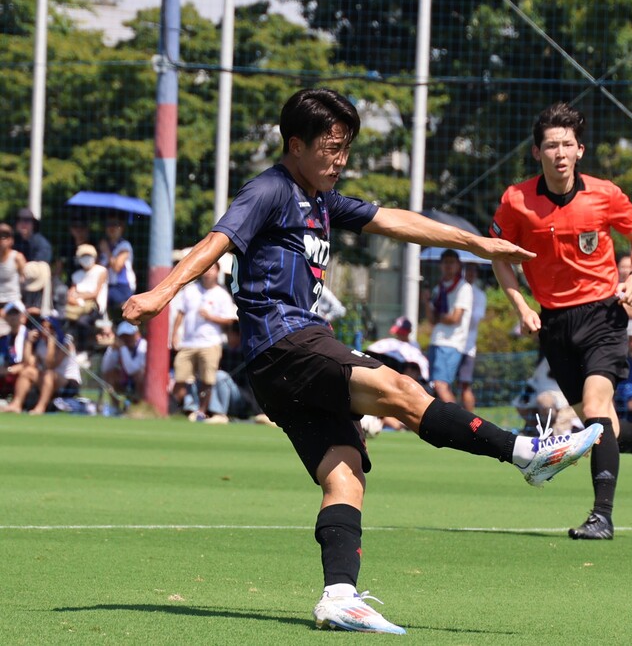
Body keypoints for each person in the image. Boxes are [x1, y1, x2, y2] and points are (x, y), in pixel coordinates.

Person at [121, 88, 602, 634]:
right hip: (287, 341)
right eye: (331, 148)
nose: (340, 160)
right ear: (296, 145)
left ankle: (339, 597)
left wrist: (477, 244)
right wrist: (161, 294)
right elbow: (218, 239)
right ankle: (524, 454)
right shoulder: (270, 189)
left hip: (275, 366)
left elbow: (396, 221)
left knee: (345, 473)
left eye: (345, 148)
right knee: (400, 389)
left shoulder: (322, 200)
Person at [490, 101, 632, 542]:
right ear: (537, 152)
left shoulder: (605, 194)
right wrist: (522, 307)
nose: (560, 153)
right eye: (551, 145)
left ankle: (602, 516)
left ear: (580, 150)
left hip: (603, 316)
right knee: (599, 424)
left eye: (567, 144)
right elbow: (498, 255)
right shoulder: (516, 200)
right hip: (554, 324)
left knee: (595, 409)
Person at [170, 262, 238, 422]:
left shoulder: (222, 294)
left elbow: (230, 320)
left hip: (210, 343)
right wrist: (174, 334)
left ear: (217, 273)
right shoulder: (190, 290)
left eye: (212, 269)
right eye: (206, 269)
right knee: (180, 378)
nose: (208, 272)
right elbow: (181, 313)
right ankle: (184, 408)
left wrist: (210, 317)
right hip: (188, 342)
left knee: (207, 380)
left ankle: (201, 411)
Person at [422, 249, 473, 403]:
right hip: (436, 341)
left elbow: (455, 318)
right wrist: (426, 301)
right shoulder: (438, 288)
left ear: (458, 265)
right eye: (445, 262)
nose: (448, 266)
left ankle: (455, 417)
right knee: (434, 387)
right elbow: (432, 319)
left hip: (451, 343)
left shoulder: (464, 287)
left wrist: (439, 317)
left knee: (441, 385)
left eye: (452, 262)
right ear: (440, 265)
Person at [65, 243, 109, 354]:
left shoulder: (101, 271)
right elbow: (70, 294)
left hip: (95, 307)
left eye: (88, 255)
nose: (86, 259)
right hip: (77, 306)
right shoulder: (76, 275)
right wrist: (78, 297)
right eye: (83, 256)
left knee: (82, 321)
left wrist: (79, 295)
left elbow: (95, 294)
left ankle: (83, 351)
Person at [457, 263, 488, 411]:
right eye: (468, 270)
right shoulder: (457, 289)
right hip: (451, 344)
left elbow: (474, 320)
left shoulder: (479, 295)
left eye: (473, 271)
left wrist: (461, 311)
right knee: (445, 384)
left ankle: (470, 419)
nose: (470, 273)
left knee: (465, 384)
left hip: (467, 346)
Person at [365, 316, 430, 385]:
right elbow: (369, 352)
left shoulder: (415, 345)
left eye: (402, 332)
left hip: (416, 379)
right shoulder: (389, 343)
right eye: (399, 332)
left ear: (409, 331)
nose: (400, 334)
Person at [100, 321, 146, 405]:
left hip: (139, 383)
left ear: (137, 334)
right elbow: (105, 368)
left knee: (139, 375)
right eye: (123, 337)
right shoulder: (119, 346)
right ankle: (115, 407)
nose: (126, 339)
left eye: (129, 336)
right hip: (125, 381)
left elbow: (131, 370)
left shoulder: (143, 345)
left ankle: (140, 404)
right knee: (110, 375)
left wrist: (122, 348)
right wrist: (112, 350)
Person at [98, 213, 137, 313]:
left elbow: (117, 267)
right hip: (107, 284)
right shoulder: (104, 245)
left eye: (115, 224)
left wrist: (106, 251)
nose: (112, 227)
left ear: (122, 227)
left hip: (122, 286)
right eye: (109, 224)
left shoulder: (124, 245)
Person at [0, 301, 29, 402]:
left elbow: (30, 362)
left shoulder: (29, 336)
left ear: (23, 317)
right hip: (7, 371)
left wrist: (9, 370)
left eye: (16, 313)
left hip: (22, 371)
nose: (13, 317)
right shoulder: (3, 339)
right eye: (10, 314)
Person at [0, 223, 26, 336]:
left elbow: (26, 282)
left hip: (13, 303)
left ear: (11, 240)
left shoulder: (17, 258)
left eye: (5, 236)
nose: (2, 239)